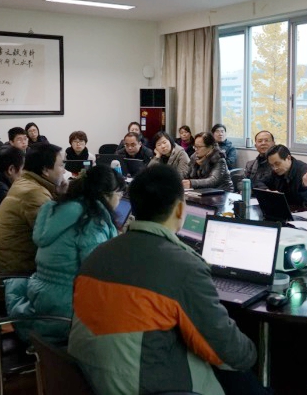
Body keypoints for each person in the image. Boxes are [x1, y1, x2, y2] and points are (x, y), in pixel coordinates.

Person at [68, 165, 264, 395]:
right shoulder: (184, 267)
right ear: (180, 209)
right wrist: (254, 352)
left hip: (89, 379)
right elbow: (227, 351)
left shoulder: (98, 254)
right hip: (142, 386)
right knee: (243, 378)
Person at [5, 164, 125, 344]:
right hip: (65, 314)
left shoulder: (57, 209)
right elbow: (100, 274)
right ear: (106, 195)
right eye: (119, 195)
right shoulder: (90, 223)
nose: (120, 201)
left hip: (40, 300)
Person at [0, 143, 67, 274]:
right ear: (45, 170)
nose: (64, 171)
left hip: (9, 264)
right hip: (15, 273)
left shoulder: (26, 183)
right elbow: (53, 237)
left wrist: (59, 194)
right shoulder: (33, 193)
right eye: (61, 165)